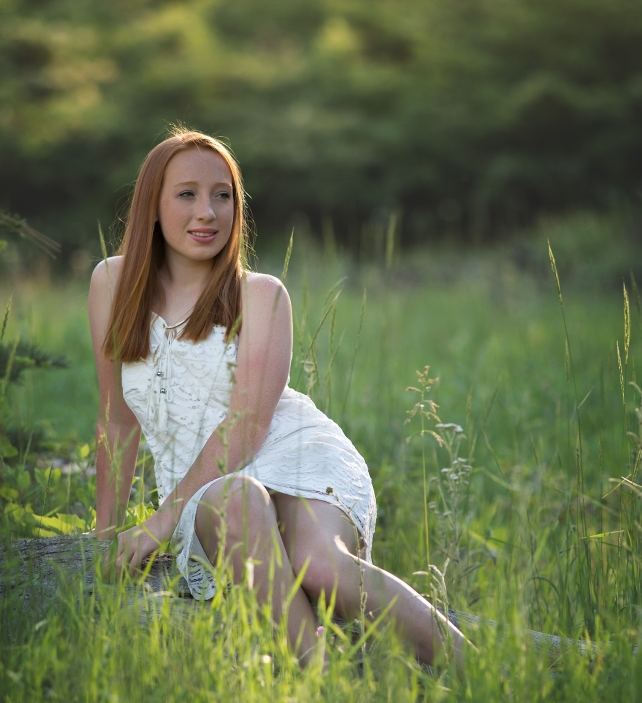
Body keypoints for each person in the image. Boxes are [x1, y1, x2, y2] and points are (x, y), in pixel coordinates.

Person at [88, 128, 467, 669]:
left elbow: (246, 426)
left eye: (223, 195)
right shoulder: (111, 283)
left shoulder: (260, 294)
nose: (208, 212)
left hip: (294, 453)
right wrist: (106, 537)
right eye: (187, 194)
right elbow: (116, 421)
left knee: (322, 569)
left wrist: (158, 522)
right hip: (209, 485)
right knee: (235, 497)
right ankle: (329, 690)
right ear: (152, 203)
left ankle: (489, 679)